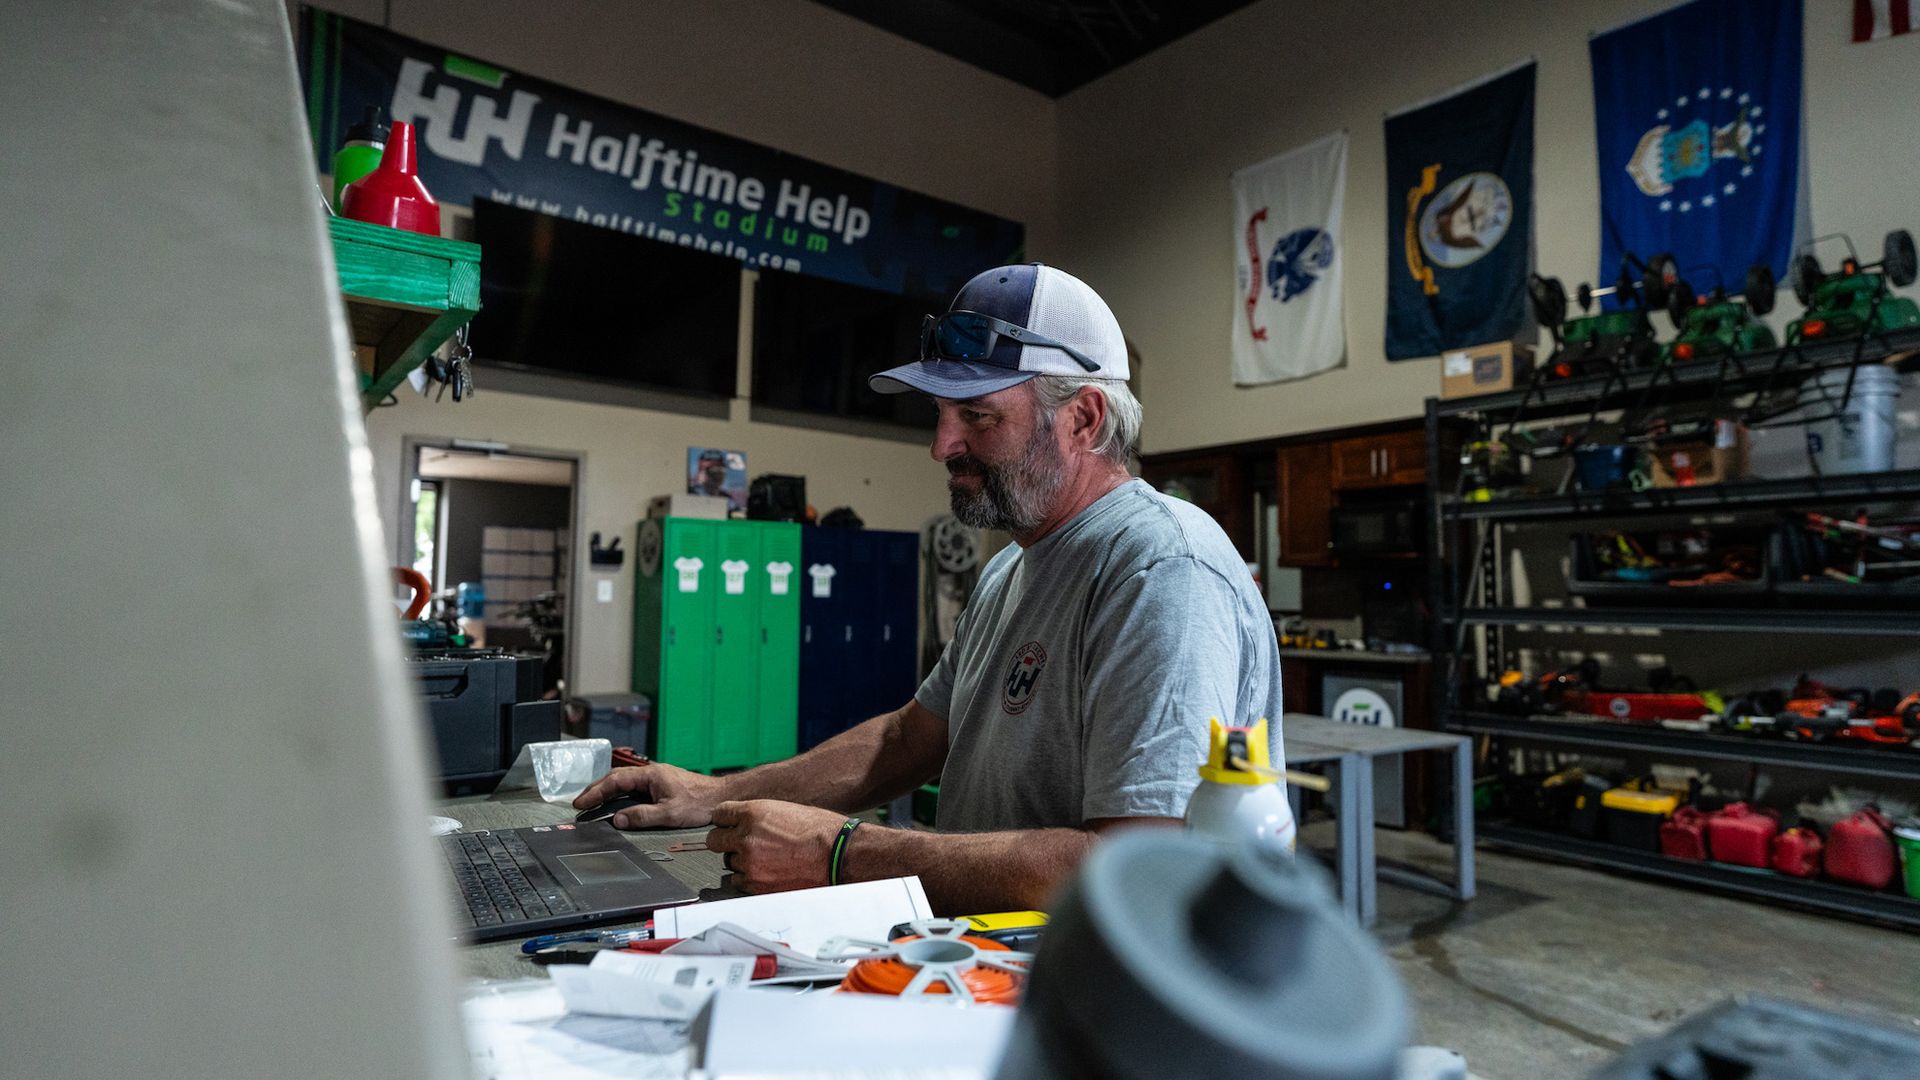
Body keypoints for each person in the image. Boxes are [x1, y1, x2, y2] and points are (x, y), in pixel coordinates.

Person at [576, 263, 1287, 913]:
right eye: (941, 414)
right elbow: (908, 739)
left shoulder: (1160, 568)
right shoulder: (1012, 567)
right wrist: (717, 793)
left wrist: (840, 854)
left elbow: (1137, 868)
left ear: (1083, 418)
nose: (941, 445)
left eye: (977, 416)